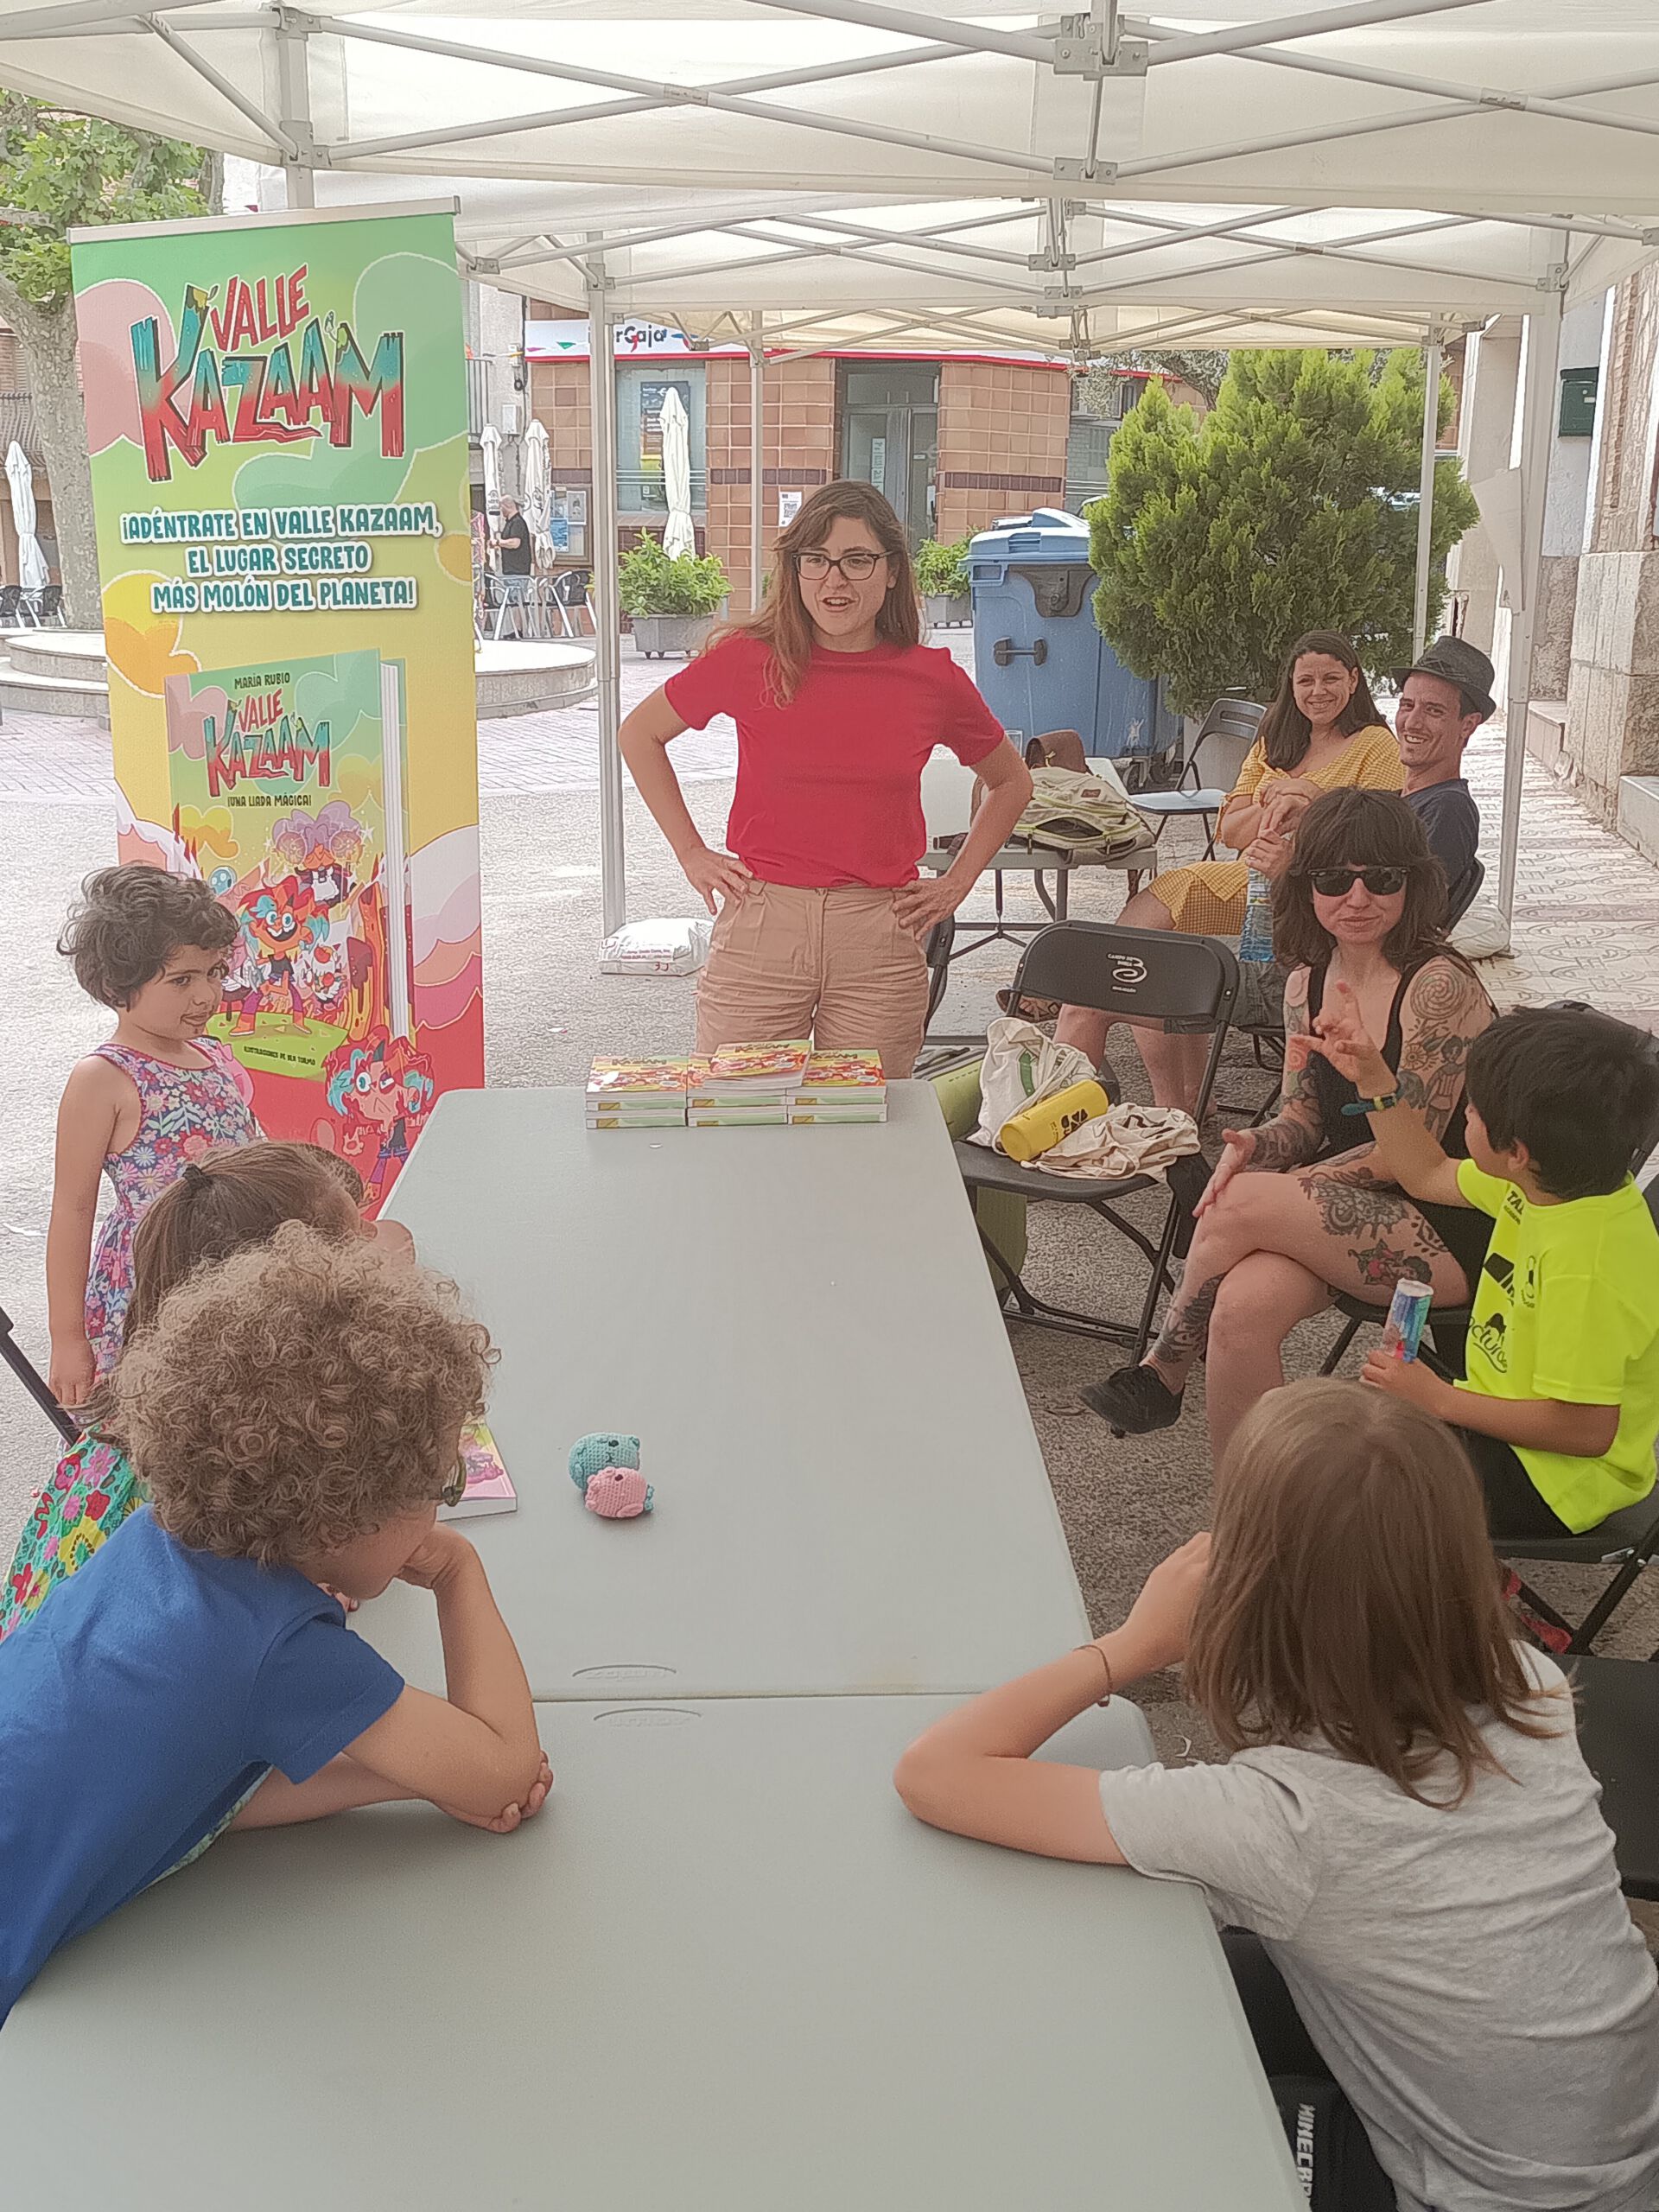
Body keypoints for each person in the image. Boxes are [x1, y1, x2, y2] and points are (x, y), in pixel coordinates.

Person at [893, 1378, 1659, 2212]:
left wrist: (1130, 1645)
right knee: (1193, 1975)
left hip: (1494, 2198)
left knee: (1133, 2111)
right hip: (1617, 2142)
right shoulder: (1529, 1685)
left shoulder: (1281, 1823)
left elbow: (937, 1773)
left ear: (1246, 1577)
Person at [0, 1226, 550, 2028]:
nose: (443, 1506)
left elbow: (194, 1782)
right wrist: (459, 1574)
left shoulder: (160, 1539)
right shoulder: (278, 1648)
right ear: (346, 1515)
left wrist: (411, 1772)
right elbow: (507, 1768)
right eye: (439, 1481)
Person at [1080, 791, 1493, 1457]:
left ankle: (1163, 1371)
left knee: (1240, 1202)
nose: (1357, 896)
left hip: (1448, 1220)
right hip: (1347, 1209)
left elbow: (1408, 1154)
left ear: (1412, 884)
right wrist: (1258, 1145)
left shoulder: (1438, 986)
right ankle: (1254, 1518)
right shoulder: (1307, 980)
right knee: (1241, 1309)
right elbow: (1303, 1114)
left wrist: (1282, 1191)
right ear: (1307, 887)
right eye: (1334, 878)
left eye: (1381, 878)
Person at [619, 479, 1031, 1077]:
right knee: (738, 1117)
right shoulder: (748, 659)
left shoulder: (931, 680)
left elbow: (1012, 782)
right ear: (796, 569)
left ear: (891, 571)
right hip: (762, 924)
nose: (834, 580)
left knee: (866, 1132)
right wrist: (691, 852)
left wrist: (958, 880)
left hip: (879, 933)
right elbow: (640, 735)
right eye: (816, 559)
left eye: (857, 560)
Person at [3, 1141, 411, 1643]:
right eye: (354, 1241)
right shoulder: (213, 1476)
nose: (376, 1241)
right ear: (291, 1306)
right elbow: (248, 1598)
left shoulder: (189, 1412)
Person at [1300, 997, 1659, 1537]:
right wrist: (1374, 1078)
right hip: (1493, 1417)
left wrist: (1440, 1399)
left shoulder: (1587, 1264)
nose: (1465, 1114)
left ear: (1515, 1150)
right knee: (1320, 1438)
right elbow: (1425, 1172)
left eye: (1472, 1110)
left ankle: (1437, 1602)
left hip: (1554, 1479)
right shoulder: (1547, 1185)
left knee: (1334, 1498)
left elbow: (1588, 1430)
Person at [1055, 633, 1402, 1115]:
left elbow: (1377, 830)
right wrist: (1284, 807)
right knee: (1146, 946)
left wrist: (1307, 800)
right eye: (1306, 680)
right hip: (1249, 874)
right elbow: (1230, 829)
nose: (1318, 691)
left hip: (1305, 888)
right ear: (1292, 685)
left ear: (1354, 680)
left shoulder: (1374, 745)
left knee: (1138, 959)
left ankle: (1171, 1102)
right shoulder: (1277, 740)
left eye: (1330, 679)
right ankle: (1183, 1099)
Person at [47, 865, 259, 1408]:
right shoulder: (103, 1078)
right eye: (182, 980)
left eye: (214, 972)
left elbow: (256, 1155)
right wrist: (68, 1340)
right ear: (119, 985)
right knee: (158, 1419)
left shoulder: (212, 1055)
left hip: (238, 1271)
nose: (207, 995)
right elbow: (73, 1211)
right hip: (152, 1284)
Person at [1393, 634, 1492, 923]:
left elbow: (1410, 917)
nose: (1412, 723)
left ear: (1468, 724)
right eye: (1407, 706)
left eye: (1433, 711)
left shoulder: (1448, 809)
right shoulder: (1401, 797)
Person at [493, 495, 533, 634]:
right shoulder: (510, 522)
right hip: (512, 569)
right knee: (515, 600)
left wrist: (498, 542)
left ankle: (519, 629)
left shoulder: (517, 523)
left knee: (518, 600)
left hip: (518, 569)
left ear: (507, 506)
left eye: (501, 507)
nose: (500, 511)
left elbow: (515, 543)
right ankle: (517, 629)